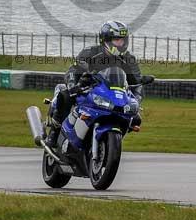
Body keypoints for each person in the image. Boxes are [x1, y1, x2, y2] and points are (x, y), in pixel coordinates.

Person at [45, 20, 143, 148]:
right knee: (65, 96)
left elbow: (137, 83)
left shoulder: (129, 59)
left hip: (113, 95)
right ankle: (54, 131)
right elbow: (73, 70)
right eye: (116, 40)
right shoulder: (90, 52)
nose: (120, 43)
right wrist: (73, 85)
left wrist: (136, 101)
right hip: (87, 90)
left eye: (122, 40)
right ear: (106, 40)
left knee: (136, 119)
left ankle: (109, 142)